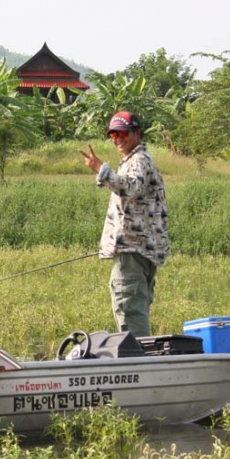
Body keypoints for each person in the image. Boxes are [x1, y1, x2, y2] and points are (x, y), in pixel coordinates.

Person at [79, 111, 169, 337]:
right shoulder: (136, 160)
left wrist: (101, 170)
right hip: (139, 249)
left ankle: (138, 364)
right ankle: (141, 360)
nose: (117, 138)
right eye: (113, 134)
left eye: (123, 133)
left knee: (129, 309)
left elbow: (131, 187)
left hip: (133, 250)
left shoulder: (139, 160)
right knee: (134, 307)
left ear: (138, 133)